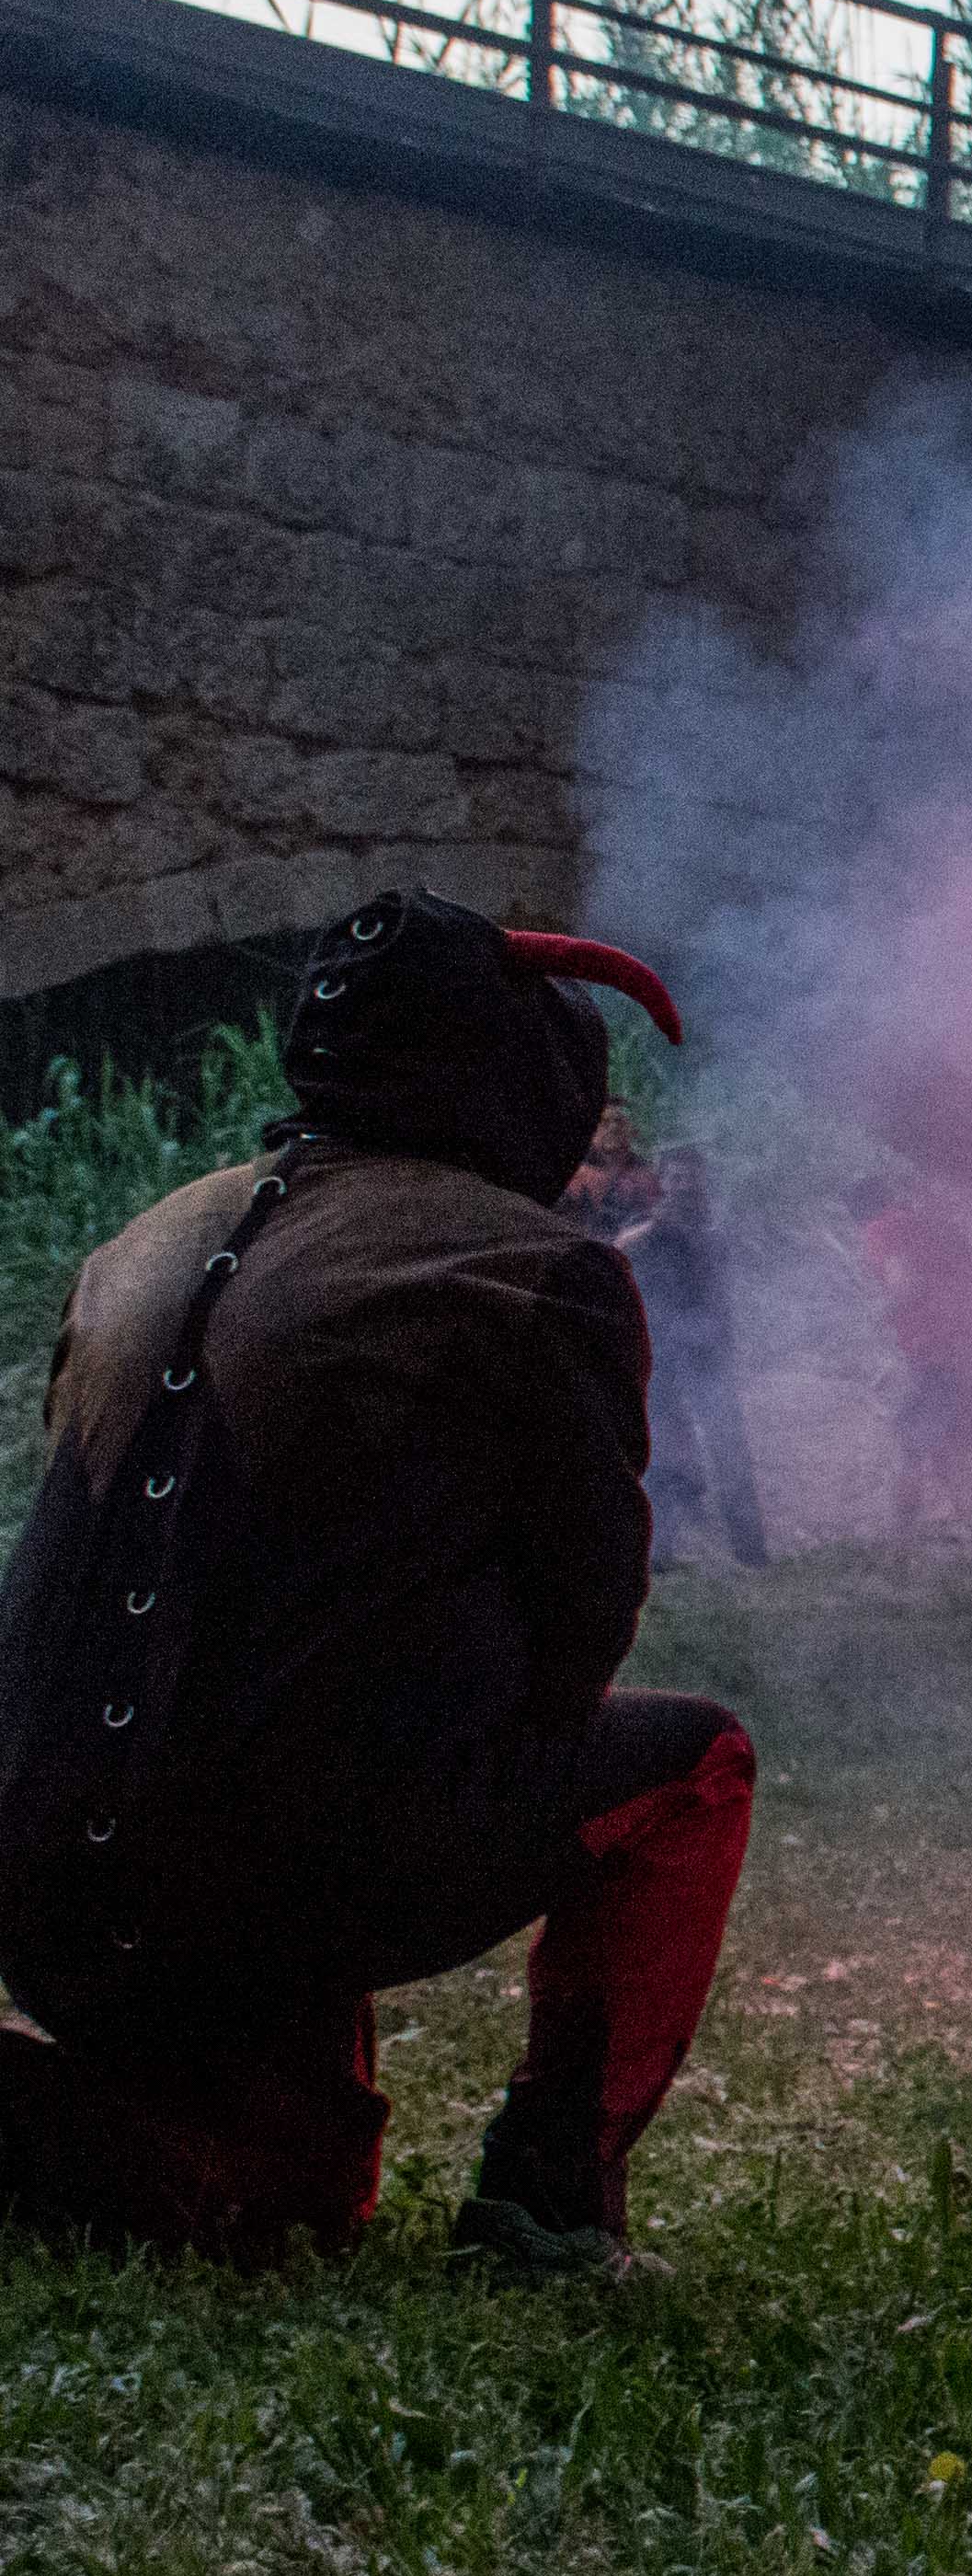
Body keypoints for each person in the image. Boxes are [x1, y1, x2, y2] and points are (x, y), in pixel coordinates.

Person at [0, 897, 753, 2270]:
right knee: (697, 1765)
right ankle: (545, 2204)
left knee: (289, 2209)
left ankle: (128, 2123)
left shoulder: (144, 1237)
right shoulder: (536, 1267)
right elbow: (582, 1629)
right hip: (282, 1877)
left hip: (37, 1885)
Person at [620, 1142, 771, 1570]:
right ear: (663, 1181)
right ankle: (658, 1552)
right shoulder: (645, 1224)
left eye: (691, 1176)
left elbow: (726, 1277)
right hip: (662, 1352)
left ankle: (750, 1552)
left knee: (729, 1449)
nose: (684, 1184)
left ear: (702, 1180)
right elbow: (617, 1248)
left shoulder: (713, 1226)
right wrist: (655, 1225)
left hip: (708, 1350)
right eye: (675, 1176)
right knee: (661, 1449)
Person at [856, 1195, 972, 1538]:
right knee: (954, 1437)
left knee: (915, 1440)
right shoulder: (928, 1223)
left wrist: (876, 1315)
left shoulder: (883, 1229)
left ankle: (905, 1534)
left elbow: (905, 1285)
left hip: (944, 1350)